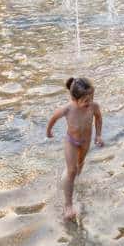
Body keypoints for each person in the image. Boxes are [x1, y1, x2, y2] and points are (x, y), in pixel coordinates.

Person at [46, 77, 104, 220]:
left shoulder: (93, 106)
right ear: (74, 99)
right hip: (71, 141)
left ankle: (70, 181)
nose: (89, 102)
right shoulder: (68, 109)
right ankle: (68, 205)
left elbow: (98, 118)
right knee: (72, 170)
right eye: (85, 100)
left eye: (91, 98)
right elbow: (53, 118)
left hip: (85, 142)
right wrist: (49, 131)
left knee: (79, 166)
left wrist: (98, 135)